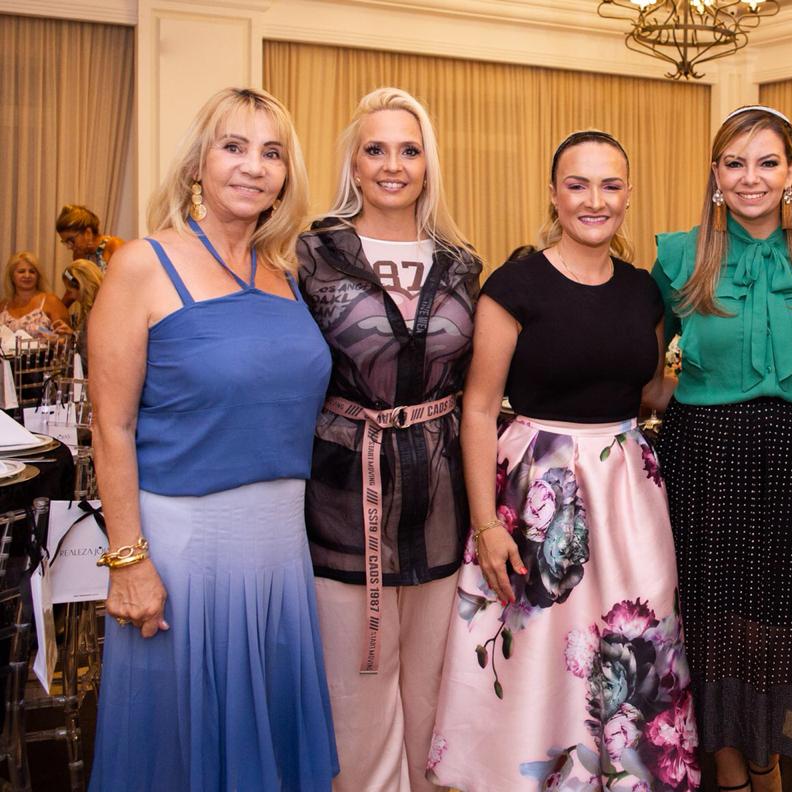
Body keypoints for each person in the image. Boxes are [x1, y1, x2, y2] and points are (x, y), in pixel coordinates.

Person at [430, 130, 696, 791]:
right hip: (537, 489)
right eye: (578, 185)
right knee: (543, 649)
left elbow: (646, 390)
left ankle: (629, 776)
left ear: (628, 195)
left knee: (636, 636)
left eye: (610, 185)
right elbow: (478, 410)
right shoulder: (513, 287)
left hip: (627, 489)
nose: (594, 200)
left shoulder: (644, 291)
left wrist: (714, 375)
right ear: (554, 194)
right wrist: (486, 525)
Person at [88, 87, 337, 791]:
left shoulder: (286, 274)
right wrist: (129, 561)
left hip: (281, 553)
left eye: (272, 153)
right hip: (184, 555)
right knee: (179, 752)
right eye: (234, 147)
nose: (253, 166)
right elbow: (111, 424)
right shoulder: (143, 264)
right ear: (198, 162)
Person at [294, 87, 480, 792]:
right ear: (354, 162)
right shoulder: (310, 254)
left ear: (429, 164)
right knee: (356, 696)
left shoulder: (462, 262)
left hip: (440, 501)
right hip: (343, 498)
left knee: (434, 693)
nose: (393, 165)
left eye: (409, 150)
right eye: (376, 150)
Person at [653, 105, 792, 792]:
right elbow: (646, 365)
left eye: (767, 163)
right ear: (715, 173)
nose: (750, 178)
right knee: (712, 625)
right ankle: (731, 770)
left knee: (779, 626)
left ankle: (767, 759)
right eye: (735, 163)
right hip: (706, 457)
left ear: (791, 173)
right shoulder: (678, 256)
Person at [1, 250, 71, 336]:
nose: (27, 275)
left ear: (38, 276)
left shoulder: (51, 301)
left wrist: (52, 337)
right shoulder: (3, 305)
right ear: (11, 276)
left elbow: (66, 338)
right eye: (21, 271)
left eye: (32, 271)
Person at [56, 203, 124, 271]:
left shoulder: (114, 246)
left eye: (71, 240)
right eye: (65, 242)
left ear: (88, 233)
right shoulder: (78, 254)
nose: (69, 247)